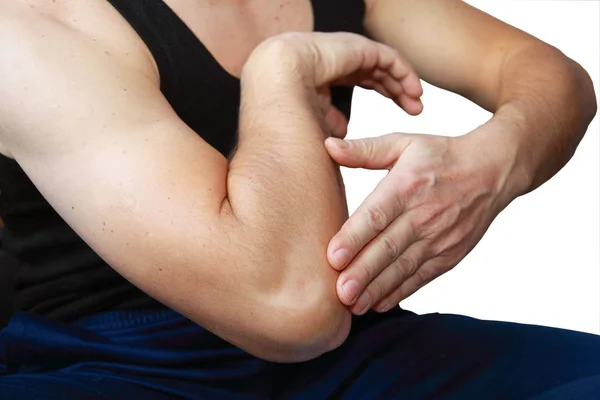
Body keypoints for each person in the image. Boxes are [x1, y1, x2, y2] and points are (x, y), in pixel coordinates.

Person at [0, 0, 597, 398]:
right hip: (108, 362)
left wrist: (492, 163)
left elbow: (550, 74)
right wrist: (281, 69)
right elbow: (289, 310)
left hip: (345, 350)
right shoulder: (29, 24)